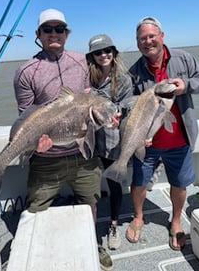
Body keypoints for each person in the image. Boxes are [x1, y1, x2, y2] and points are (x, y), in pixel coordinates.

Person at [13, 8, 115, 271]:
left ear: (67, 33)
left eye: (59, 29)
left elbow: (95, 90)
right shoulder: (26, 72)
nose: (54, 34)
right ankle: (39, 253)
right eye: (48, 29)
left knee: (90, 203)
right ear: (38, 34)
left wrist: (110, 115)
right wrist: (35, 144)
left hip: (83, 154)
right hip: (46, 159)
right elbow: (25, 117)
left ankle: (91, 243)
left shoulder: (82, 61)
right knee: (36, 208)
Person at [126, 16, 199, 250]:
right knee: (139, 182)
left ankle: (175, 221)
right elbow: (130, 107)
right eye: (142, 38)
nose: (148, 41)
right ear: (137, 43)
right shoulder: (134, 72)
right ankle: (138, 216)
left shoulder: (184, 58)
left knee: (180, 183)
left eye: (152, 36)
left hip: (179, 140)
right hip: (148, 141)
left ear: (162, 36)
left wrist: (185, 85)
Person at [86, 34, 133, 250]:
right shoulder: (87, 77)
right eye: (98, 52)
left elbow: (127, 106)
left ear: (114, 53)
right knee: (89, 186)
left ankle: (113, 224)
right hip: (90, 141)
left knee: (114, 186)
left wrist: (118, 115)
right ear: (92, 56)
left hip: (114, 143)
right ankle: (88, 227)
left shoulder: (123, 79)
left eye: (108, 50)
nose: (104, 55)